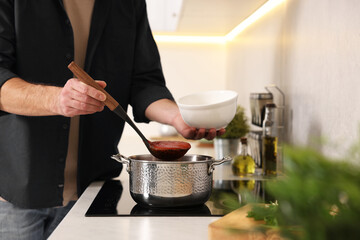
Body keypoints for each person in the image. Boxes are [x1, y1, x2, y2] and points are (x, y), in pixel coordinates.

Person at [0, 0, 224, 239]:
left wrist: (178, 117)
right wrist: (56, 100)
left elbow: (144, 82)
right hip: (17, 191)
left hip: (93, 190)